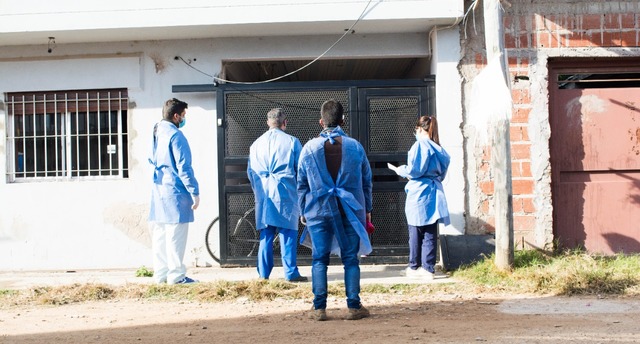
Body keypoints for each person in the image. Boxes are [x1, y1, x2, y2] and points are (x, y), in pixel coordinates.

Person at [297, 99, 373, 321]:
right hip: (350, 209)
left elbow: (301, 184)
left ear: (321, 122)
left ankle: (319, 308)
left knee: (319, 259)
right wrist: (367, 209)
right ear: (342, 120)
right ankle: (354, 306)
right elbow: (367, 181)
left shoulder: (309, 148)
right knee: (351, 258)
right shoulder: (355, 146)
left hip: (318, 211)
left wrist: (303, 210)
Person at [247, 108, 307, 282]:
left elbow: (251, 173)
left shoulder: (255, 144)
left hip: (264, 195)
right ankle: (290, 273)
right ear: (285, 123)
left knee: (266, 234)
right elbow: (301, 171)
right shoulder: (292, 142)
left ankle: (263, 274)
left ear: (268, 123)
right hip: (286, 193)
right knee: (288, 233)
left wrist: (258, 190)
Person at [388, 115, 450, 280]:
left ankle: (414, 266)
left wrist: (400, 170)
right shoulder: (439, 149)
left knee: (415, 231)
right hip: (435, 192)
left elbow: (415, 170)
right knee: (430, 232)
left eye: (415, 130)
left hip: (419, 193)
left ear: (420, 129)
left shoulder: (420, 145)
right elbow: (442, 174)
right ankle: (428, 268)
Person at [148, 98, 200, 285]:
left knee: (160, 235)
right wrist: (194, 191)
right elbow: (183, 167)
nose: (184, 119)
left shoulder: (156, 132)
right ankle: (177, 276)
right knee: (175, 235)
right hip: (175, 191)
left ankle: (161, 275)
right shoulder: (176, 136)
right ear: (176, 116)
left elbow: (150, 159)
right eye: (184, 115)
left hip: (158, 189)